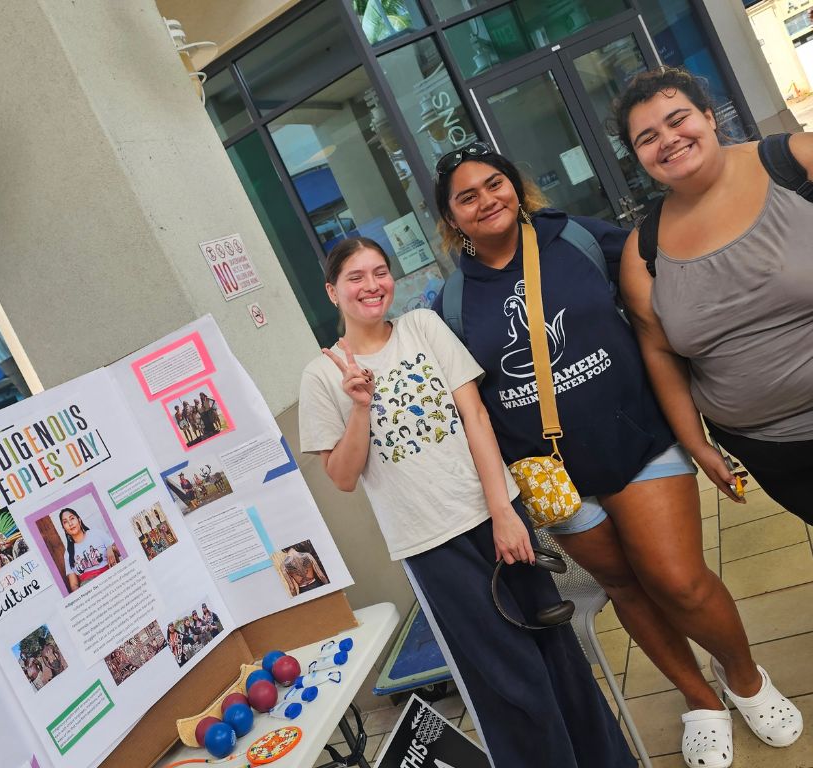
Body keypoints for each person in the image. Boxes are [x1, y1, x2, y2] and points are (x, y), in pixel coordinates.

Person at [431, 140, 800, 767]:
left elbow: (668, 300)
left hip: (637, 443)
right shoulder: (452, 302)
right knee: (625, 587)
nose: (486, 200)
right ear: (451, 219)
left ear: (515, 186)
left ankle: (744, 679)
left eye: (495, 183)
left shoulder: (577, 239)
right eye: (467, 197)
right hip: (553, 479)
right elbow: (471, 404)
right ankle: (699, 699)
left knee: (677, 580)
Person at [299, 236, 636, 768]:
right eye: (356, 277)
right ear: (331, 291)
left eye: (379, 271)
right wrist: (360, 406)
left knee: (558, 655)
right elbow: (342, 477)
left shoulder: (422, 328)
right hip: (430, 545)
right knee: (507, 681)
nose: (372, 285)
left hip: (494, 518)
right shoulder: (322, 376)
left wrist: (504, 511)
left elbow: (476, 417)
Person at [613, 66, 813, 524]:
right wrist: (698, 444)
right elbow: (660, 354)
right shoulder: (642, 251)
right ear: (638, 157)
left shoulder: (793, 161)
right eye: (646, 137)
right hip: (771, 451)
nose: (667, 139)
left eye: (677, 119)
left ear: (709, 116)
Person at [59, 507, 120, 592]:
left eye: (72, 518)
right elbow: (74, 585)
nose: (70, 523)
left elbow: (120, 550)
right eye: (65, 522)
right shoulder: (68, 554)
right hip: (89, 590)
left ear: (79, 520)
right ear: (64, 529)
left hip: (110, 579)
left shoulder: (97, 533)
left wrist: (110, 548)